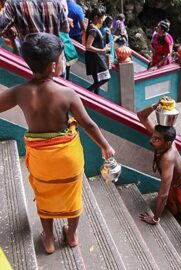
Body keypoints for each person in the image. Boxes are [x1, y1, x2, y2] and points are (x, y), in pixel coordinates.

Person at [0, 32, 115, 254]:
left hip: (41, 160)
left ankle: (49, 240)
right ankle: (71, 237)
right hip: (67, 159)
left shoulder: (20, 92)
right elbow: (89, 125)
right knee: (72, 195)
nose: (64, 61)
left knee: (45, 195)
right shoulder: (67, 93)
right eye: (63, 58)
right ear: (54, 66)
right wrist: (105, 146)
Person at [137, 100, 181, 224]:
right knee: (174, 211)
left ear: (168, 143)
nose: (152, 141)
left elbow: (163, 194)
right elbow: (141, 116)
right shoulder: (163, 135)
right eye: (153, 137)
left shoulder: (167, 159)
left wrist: (155, 219)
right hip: (175, 184)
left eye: (157, 140)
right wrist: (155, 106)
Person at [0, 0, 69, 40]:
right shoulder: (57, 2)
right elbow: (65, 29)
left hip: (31, 57)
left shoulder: (13, 3)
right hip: (53, 55)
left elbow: (1, 28)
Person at [85, 5, 111, 94]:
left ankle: (96, 97)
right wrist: (102, 50)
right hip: (95, 58)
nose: (102, 19)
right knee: (106, 77)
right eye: (101, 17)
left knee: (98, 81)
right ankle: (86, 92)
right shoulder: (93, 29)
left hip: (96, 57)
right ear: (96, 17)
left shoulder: (93, 27)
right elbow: (88, 46)